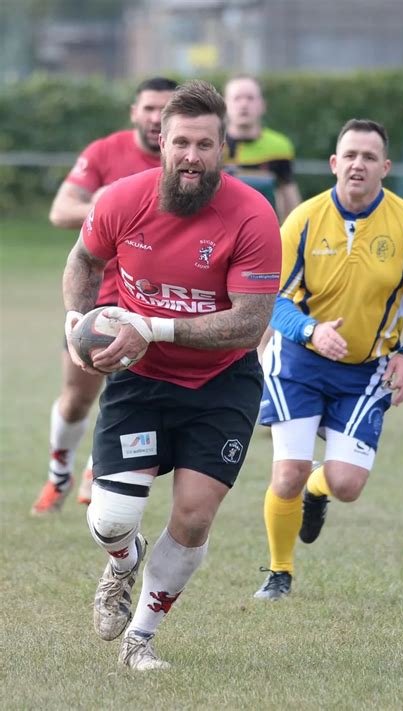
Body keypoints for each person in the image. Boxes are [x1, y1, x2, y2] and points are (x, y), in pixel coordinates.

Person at [62, 80, 281, 670]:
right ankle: (122, 562)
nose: (191, 156)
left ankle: (142, 637)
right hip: (143, 380)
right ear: (161, 141)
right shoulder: (119, 199)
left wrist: (150, 327)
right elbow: (84, 258)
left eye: (204, 145)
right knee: (111, 520)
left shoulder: (253, 216)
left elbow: (249, 322)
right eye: (181, 142)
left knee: (192, 515)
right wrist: (76, 322)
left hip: (222, 384)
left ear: (222, 149)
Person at [254, 118, 403, 600]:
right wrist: (310, 330)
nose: (358, 164)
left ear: (384, 167)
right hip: (297, 362)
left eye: (369, 157)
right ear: (334, 163)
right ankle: (279, 572)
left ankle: (318, 492)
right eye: (350, 155)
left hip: (368, 370)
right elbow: (272, 298)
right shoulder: (303, 219)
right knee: (287, 471)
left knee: (346, 484)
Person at [31, 76, 178, 514]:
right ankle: (60, 472)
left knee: (128, 393)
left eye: (164, 110)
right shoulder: (104, 152)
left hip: (149, 305)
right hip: (96, 300)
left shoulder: (187, 166)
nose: (155, 118)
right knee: (77, 398)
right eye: (149, 108)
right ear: (135, 111)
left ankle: (101, 468)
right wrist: (110, 207)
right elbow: (60, 211)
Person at [223, 75, 301, 223]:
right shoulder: (212, 144)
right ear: (225, 104)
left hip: (264, 228)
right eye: (237, 98)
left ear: (263, 105)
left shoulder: (279, 146)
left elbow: (289, 193)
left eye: (250, 98)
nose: (244, 104)